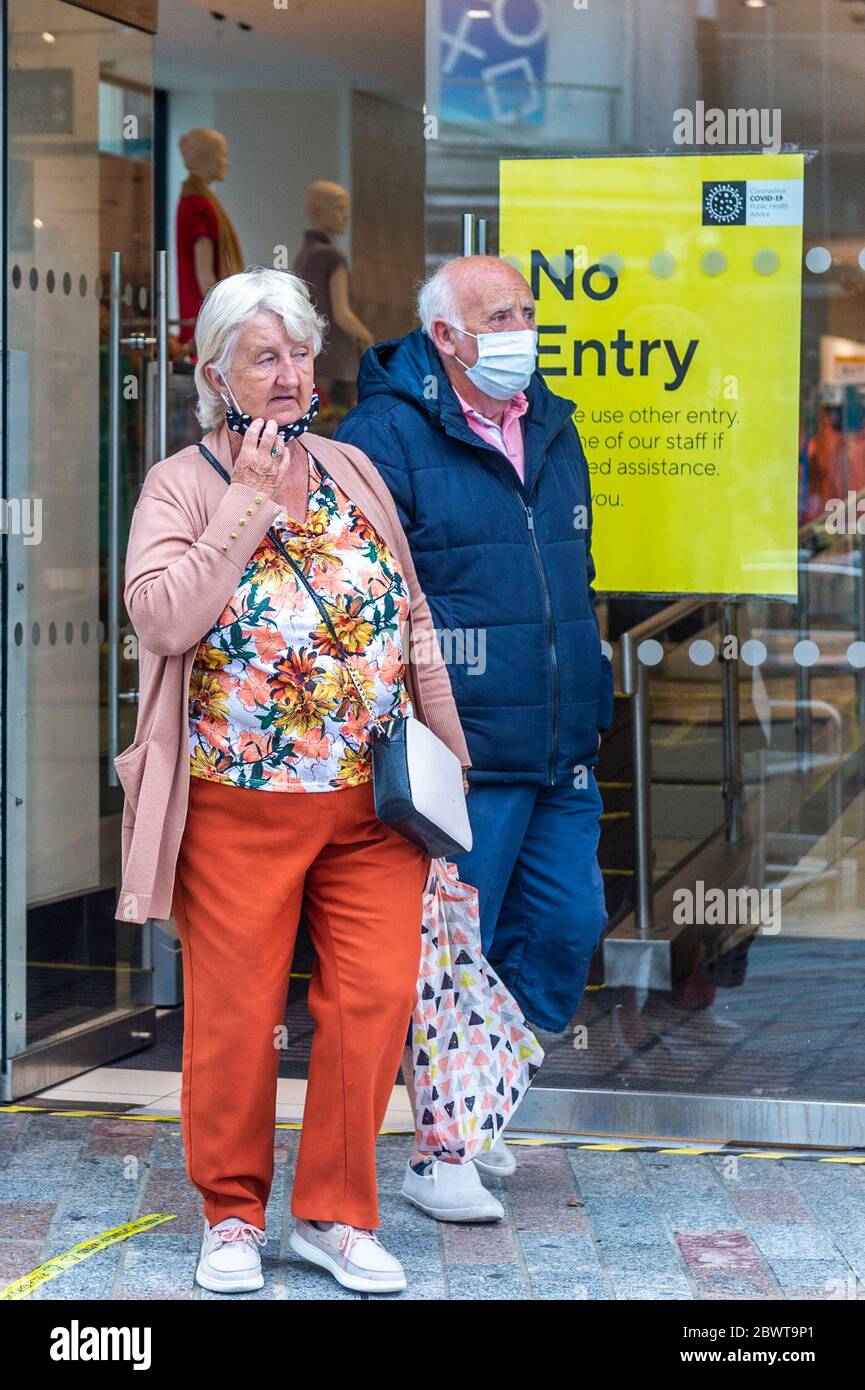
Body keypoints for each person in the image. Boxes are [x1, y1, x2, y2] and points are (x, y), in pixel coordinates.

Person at [114, 267, 470, 1294]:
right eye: (264, 356)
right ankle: (231, 1214)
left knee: (372, 1001)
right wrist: (244, 506)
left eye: (301, 353)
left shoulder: (354, 468)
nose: (288, 374)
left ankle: (333, 1214)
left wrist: (451, 764)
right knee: (236, 1013)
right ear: (214, 371)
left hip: (375, 802)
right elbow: (163, 621)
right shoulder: (181, 485)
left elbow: (410, 623)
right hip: (238, 802)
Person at [336, 255, 613, 1220]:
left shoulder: (553, 421)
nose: (520, 330)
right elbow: (364, 600)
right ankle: (437, 1151)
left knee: (568, 927)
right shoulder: (384, 434)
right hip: (461, 750)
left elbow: (571, 576)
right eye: (499, 315)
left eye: (527, 311)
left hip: (557, 741)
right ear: (446, 337)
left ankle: (481, 1104)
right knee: (457, 954)